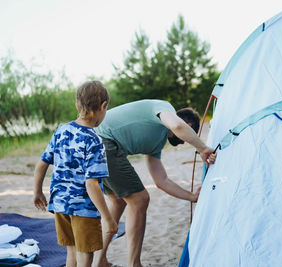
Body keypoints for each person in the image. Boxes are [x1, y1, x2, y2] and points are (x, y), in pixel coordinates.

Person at [93, 99, 216, 267]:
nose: (184, 141)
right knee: (140, 200)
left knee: (118, 201)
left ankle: (100, 261)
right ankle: (134, 264)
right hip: (103, 142)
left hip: (94, 143)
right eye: (189, 136)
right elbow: (178, 127)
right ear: (187, 124)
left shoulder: (156, 142)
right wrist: (202, 147)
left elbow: (162, 181)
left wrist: (192, 197)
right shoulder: (164, 108)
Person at [33, 81, 118, 267]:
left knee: (71, 251)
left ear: (77, 105)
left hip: (60, 204)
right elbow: (91, 183)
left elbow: (42, 164)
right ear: (103, 107)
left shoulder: (61, 130)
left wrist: (37, 191)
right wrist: (108, 217)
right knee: (85, 255)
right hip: (83, 208)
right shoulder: (94, 141)